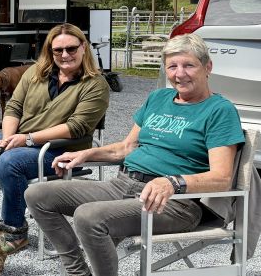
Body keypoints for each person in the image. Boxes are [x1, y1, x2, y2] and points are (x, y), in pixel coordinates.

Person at [25, 33, 245, 276]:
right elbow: (126, 147)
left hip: (173, 203)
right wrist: (85, 154)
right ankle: (78, 272)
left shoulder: (219, 111)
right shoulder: (158, 98)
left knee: (88, 217)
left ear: (207, 67)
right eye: (172, 66)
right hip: (124, 184)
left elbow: (221, 178)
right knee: (37, 194)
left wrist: (173, 182)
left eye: (188, 65)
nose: (179, 74)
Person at [0, 23, 109, 253]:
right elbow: (13, 108)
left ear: (83, 47)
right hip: (23, 138)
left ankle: (15, 231)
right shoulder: (35, 73)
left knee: (10, 163)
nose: (65, 55)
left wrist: (26, 139)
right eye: (57, 50)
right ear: (50, 51)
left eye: (71, 48)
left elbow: (76, 127)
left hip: (63, 148)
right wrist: (6, 139)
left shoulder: (95, 84)